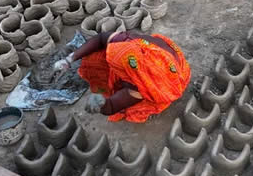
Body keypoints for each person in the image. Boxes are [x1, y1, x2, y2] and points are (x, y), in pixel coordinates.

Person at [54, 31, 190, 123]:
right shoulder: (128, 41)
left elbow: (112, 107)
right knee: (97, 56)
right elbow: (101, 38)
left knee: (136, 107)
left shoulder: (139, 86)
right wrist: (69, 59)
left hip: (172, 77)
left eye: (119, 68)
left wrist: (100, 104)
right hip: (162, 57)